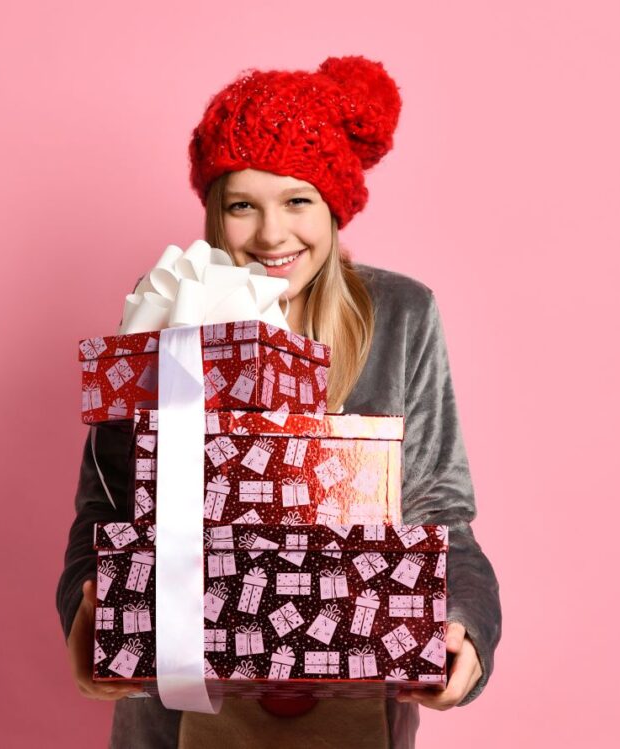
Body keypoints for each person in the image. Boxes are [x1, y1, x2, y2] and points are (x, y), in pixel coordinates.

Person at [56, 55, 502, 749]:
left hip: (352, 712)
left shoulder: (401, 314)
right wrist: (86, 628)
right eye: (243, 205)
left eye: (296, 201)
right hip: (180, 721)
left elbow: (444, 520)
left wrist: (464, 632)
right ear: (214, 210)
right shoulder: (165, 313)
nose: (271, 236)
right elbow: (107, 512)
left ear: (333, 206)